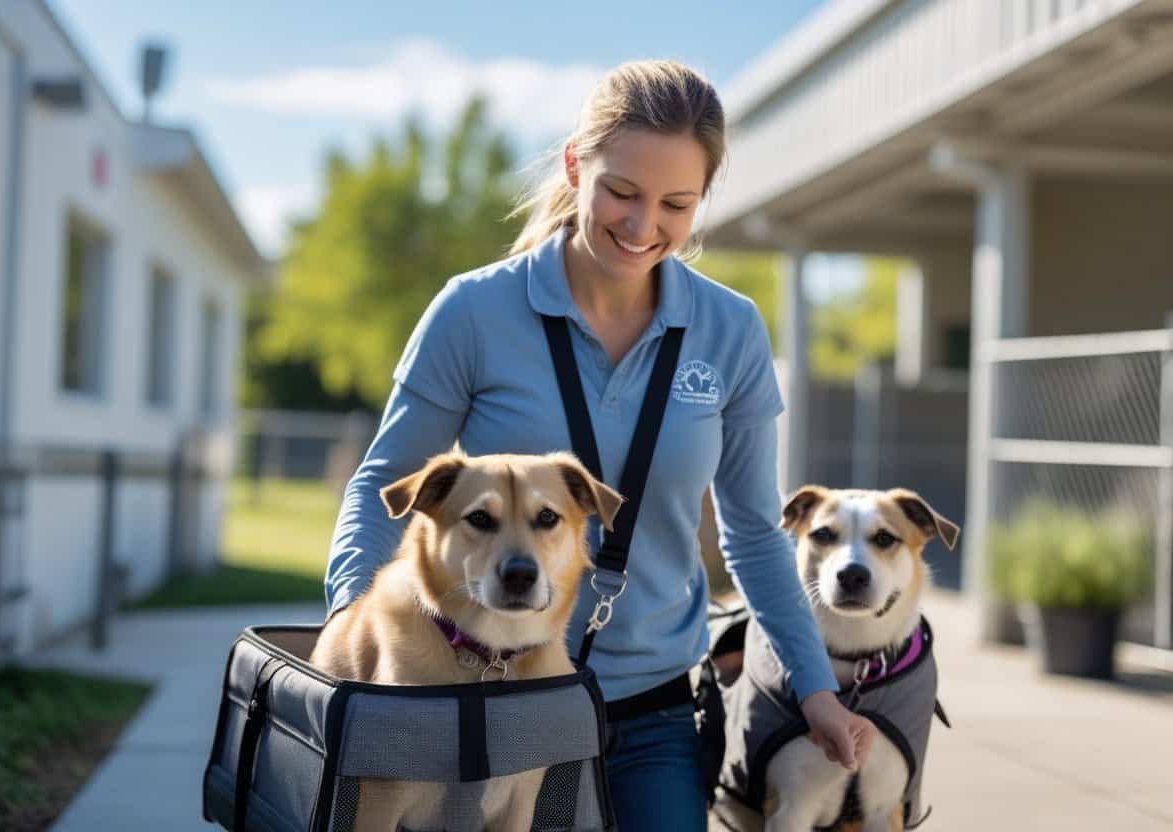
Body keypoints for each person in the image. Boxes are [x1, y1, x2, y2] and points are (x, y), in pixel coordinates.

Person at [325, 59, 876, 830]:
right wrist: (349, 640)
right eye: (622, 191)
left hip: (652, 711)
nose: (643, 225)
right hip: (485, 703)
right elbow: (382, 482)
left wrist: (815, 689)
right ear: (576, 164)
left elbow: (754, 534)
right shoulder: (474, 311)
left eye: (676, 204)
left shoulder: (731, 330)